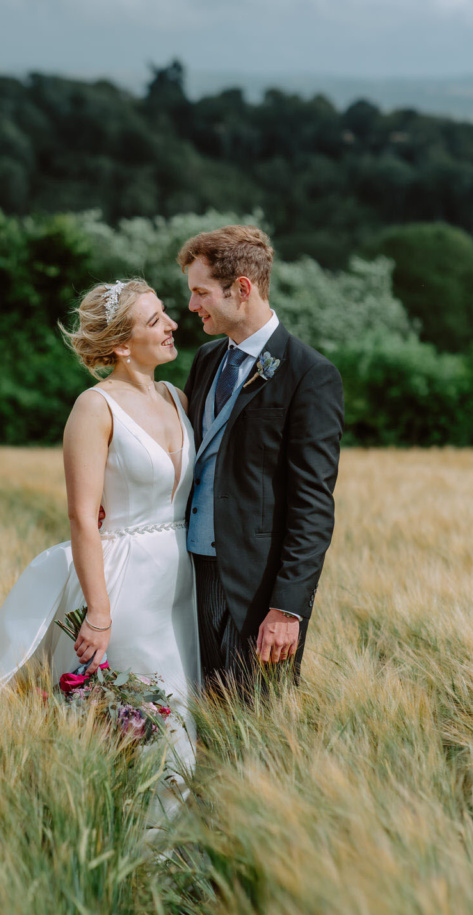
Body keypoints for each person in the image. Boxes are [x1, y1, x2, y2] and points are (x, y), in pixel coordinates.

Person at [0, 278, 199, 820]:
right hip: (123, 584)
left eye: (166, 313)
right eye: (155, 320)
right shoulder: (94, 407)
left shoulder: (178, 397)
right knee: (140, 726)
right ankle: (127, 851)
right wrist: (97, 613)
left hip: (183, 584)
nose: (172, 324)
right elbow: (81, 515)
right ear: (122, 344)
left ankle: (174, 863)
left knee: (186, 720)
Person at [178, 225, 344, 693]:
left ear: (243, 289)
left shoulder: (310, 374)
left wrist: (287, 608)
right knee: (195, 718)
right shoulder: (207, 359)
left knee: (257, 731)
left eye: (201, 293)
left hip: (257, 590)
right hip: (188, 574)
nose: (192, 307)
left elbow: (313, 504)